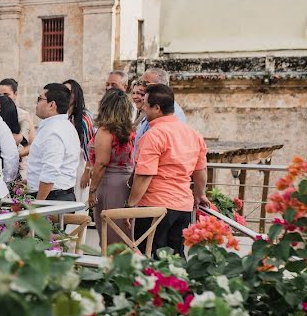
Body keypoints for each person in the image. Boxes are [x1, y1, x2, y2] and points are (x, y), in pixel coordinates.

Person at [127, 84, 208, 257]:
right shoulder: (193, 133)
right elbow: (200, 170)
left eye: (145, 104)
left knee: (150, 258)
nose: (143, 108)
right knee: (176, 257)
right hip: (183, 208)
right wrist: (200, 195)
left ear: (157, 108)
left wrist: (131, 205)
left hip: (154, 207)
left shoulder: (154, 135)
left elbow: (144, 175)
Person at [87, 89, 136, 247]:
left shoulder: (105, 131)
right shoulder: (131, 131)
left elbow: (101, 163)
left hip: (109, 184)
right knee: (125, 233)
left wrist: (92, 190)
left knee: (109, 235)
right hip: (128, 184)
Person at [26, 84, 80, 201]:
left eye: (40, 99)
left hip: (52, 197)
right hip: (55, 194)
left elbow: (50, 171)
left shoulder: (53, 131)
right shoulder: (62, 125)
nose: (36, 104)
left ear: (52, 104)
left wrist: (38, 205)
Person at [134, 68, 187, 150]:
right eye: (141, 83)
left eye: (145, 84)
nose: (141, 87)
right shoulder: (150, 106)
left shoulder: (173, 113)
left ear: (160, 87)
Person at [0, 77, 35, 146]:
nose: (2, 97)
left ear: (15, 94)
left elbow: (32, 144)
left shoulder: (23, 115)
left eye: (6, 94)